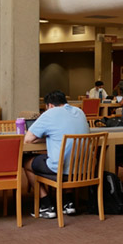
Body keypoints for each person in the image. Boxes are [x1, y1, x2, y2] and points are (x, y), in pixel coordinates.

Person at [23, 90, 89, 218]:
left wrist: (42, 137)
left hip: (61, 169)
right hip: (83, 168)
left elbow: (28, 139)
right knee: (69, 157)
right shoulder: (80, 112)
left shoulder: (50, 114)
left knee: (26, 162)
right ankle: (68, 202)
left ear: (50, 105)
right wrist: (50, 137)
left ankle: (46, 204)